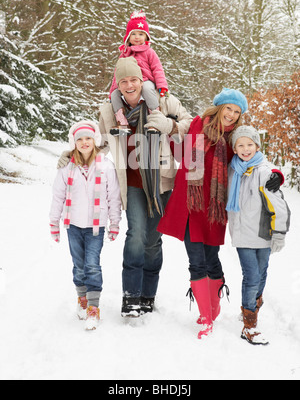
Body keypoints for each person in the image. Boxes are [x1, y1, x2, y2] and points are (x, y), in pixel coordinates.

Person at [157, 88, 283, 339]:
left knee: (211, 258)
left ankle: (213, 307)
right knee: (196, 259)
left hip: (214, 206)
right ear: (219, 107)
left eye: (237, 112)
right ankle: (206, 316)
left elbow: (253, 159)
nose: (232, 115)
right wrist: (168, 129)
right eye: (229, 109)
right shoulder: (196, 124)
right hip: (190, 202)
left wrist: (276, 176)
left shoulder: (234, 137)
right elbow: (181, 152)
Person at [99, 56, 193, 317]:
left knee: (152, 241)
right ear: (117, 85)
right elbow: (99, 143)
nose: (129, 86)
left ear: (142, 80)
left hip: (160, 182)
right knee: (136, 235)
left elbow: (191, 124)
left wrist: (170, 124)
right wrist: (74, 152)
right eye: (124, 81)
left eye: (134, 80)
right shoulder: (109, 111)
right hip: (131, 183)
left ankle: (148, 295)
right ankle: (131, 296)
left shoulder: (162, 102)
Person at [50, 120, 122, 330]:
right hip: (73, 225)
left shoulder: (106, 165)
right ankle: (82, 298)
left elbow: (114, 197)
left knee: (92, 264)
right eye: (79, 139)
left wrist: (115, 223)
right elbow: (58, 196)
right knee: (78, 265)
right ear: (74, 142)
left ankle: (93, 306)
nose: (84, 142)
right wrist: (54, 223)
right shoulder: (67, 167)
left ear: (95, 140)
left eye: (88, 138)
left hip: (96, 227)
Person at [226, 125, 290, 345]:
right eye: (240, 145)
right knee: (251, 276)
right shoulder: (231, 170)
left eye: (250, 144)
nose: (245, 149)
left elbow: (278, 205)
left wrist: (279, 233)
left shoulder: (264, 171)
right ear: (234, 148)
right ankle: (249, 325)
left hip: (263, 234)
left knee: (262, 274)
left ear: (257, 146)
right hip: (243, 234)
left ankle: (250, 309)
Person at [109, 11, 169, 136]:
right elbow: (117, 75)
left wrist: (162, 86)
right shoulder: (125, 54)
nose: (137, 37)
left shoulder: (149, 52)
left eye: (141, 34)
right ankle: (122, 122)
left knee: (147, 88)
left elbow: (158, 69)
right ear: (128, 37)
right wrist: (113, 90)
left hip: (146, 81)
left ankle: (155, 119)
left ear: (146, 37)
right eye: (134, 34)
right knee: (114, 95)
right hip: (128, 82)